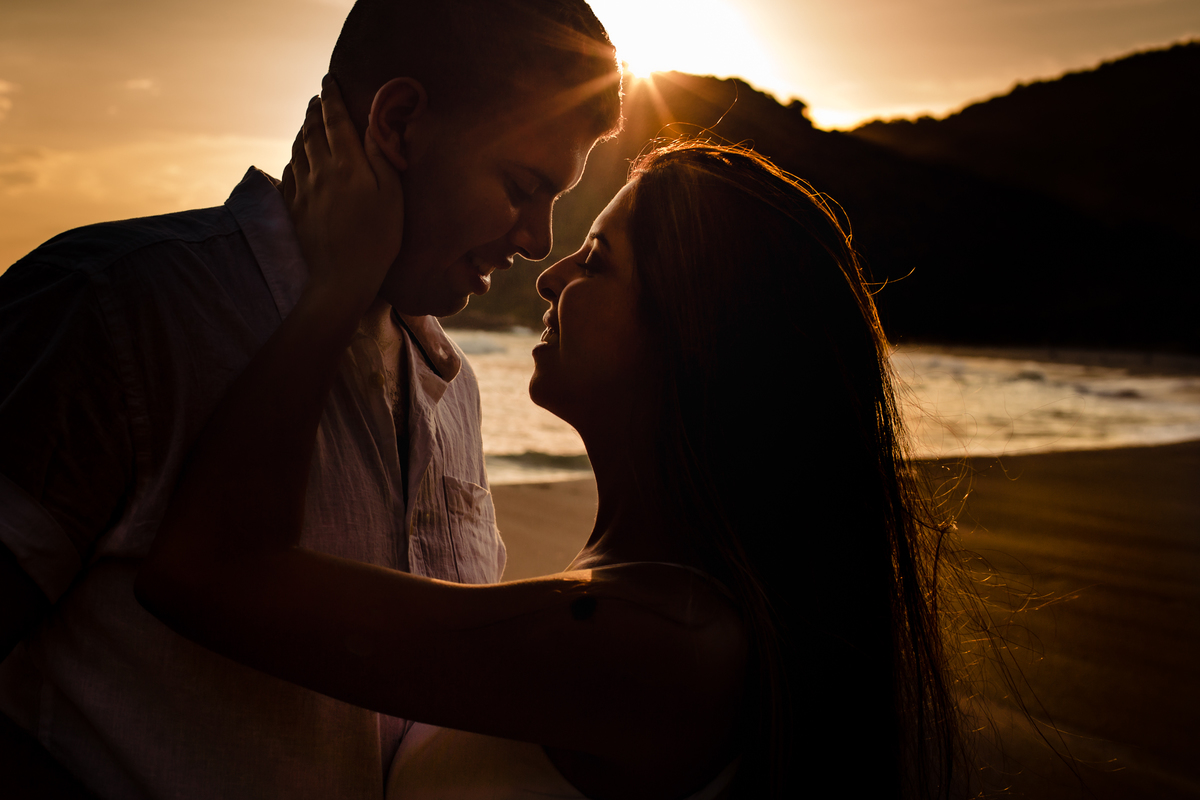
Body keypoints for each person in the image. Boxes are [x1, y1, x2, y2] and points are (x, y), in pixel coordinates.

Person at [135, 87, 963, 798]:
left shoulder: (660, 642)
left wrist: (336, 284)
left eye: (597, 261)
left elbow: (211, 571)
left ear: (696, 338)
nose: (550, 273)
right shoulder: (640, 602)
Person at [0, 1, 622, 797]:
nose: (538, 239)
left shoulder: (453, 385)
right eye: (521, 185)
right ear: (397, 123)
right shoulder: (118, 307)